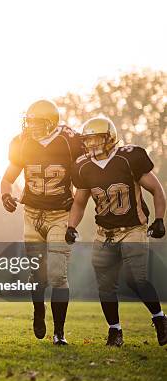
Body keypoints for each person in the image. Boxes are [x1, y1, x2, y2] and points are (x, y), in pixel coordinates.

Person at [67, 116, 166, 347]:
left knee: (135, 279)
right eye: (88, 140)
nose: (92, 145)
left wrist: (160, 219)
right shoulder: (83, 166)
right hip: (104, 232)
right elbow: (80, 202)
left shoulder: (129, 157)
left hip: (133, 228)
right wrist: (71, 226)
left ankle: (160, 318)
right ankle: (115, 331)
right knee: (105, 284)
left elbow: (157, 190)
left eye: (96, 139)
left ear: (109, 138)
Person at [0, 100, 83, 345]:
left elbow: (84, 183)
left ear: (52, 123)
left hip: (60, 214)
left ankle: (59, 332)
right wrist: (5, 194)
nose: (32, 127)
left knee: (58, 274)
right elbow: (7, 178)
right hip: (32, 214)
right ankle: (39, 310)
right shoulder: (22, 141)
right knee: (38, 275)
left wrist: (74, 222)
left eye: (37, 123)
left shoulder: (70, 141)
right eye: (30, 122)